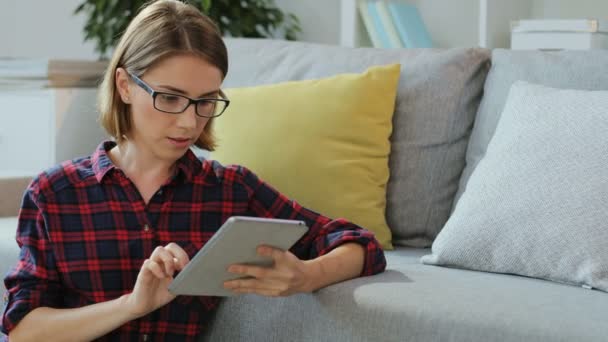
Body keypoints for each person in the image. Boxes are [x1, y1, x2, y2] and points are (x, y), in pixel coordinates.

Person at [0, 1, 386, 341]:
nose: (189, 122)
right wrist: (133, 305)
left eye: (205, 102)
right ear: (125, 86)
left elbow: (358, 243)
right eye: (169, 98)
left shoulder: (230, 190)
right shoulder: (55, 193)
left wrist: (307, 276)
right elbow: (24, 331)